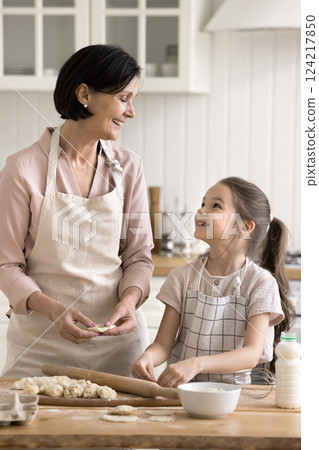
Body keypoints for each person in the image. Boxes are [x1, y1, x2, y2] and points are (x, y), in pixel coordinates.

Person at [0, 44, 154, 378]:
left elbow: (139, 257)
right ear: (85, 93)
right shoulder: (22, 168)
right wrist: (51, 309)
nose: (131, 112)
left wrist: (129, 303)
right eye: (124, 98)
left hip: (119, 348)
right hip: (39, 347)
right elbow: (6, 264)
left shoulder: (129, 167)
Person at [132, 177, 295, 387]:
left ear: (244, 227)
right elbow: (162, 345)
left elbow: (251, 353)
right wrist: (148, 357)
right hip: (180, 394)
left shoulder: (260, 283)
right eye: (202, 204)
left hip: (233, 397)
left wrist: (197, 364)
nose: (200, 211)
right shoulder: (182, 276)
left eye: (215, 206)